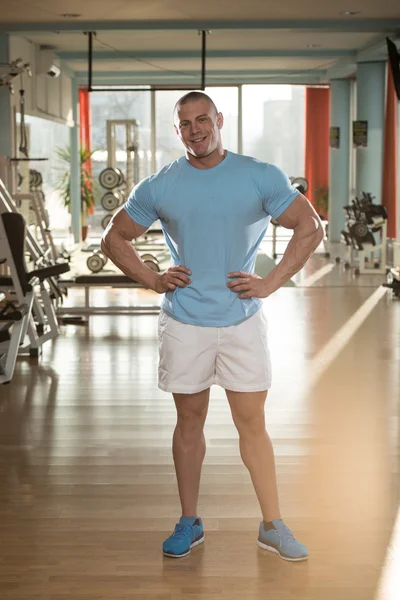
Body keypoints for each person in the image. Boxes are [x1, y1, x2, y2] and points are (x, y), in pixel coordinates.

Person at [101, 91, 324, 562]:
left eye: (203, 119)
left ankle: (272, 524)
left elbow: (310, 226)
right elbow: (114, 237)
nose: (195, 129)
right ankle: (189, 520)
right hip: (185, 322)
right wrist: (152, 278)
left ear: (219, 120)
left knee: (252, 425)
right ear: (177, 130)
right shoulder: (160, 185)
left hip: (241, 320)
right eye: (185, 123)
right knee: (189, 423)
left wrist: (270, 284)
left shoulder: (258, 175)